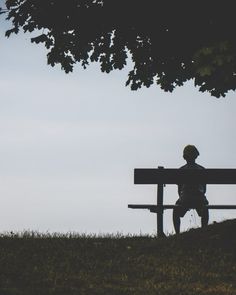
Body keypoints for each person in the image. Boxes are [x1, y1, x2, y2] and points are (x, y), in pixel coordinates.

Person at [173, 145, 209, 234]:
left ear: (184, 157)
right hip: (199, 198)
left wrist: (183, 197)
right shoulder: (202, 170)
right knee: (205, 208)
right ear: (196, 155)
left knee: (176, 211)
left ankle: (177, 233)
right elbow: (204, 189)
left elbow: (179, 189)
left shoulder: (181, 170)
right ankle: (204, 231)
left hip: (185, 198)